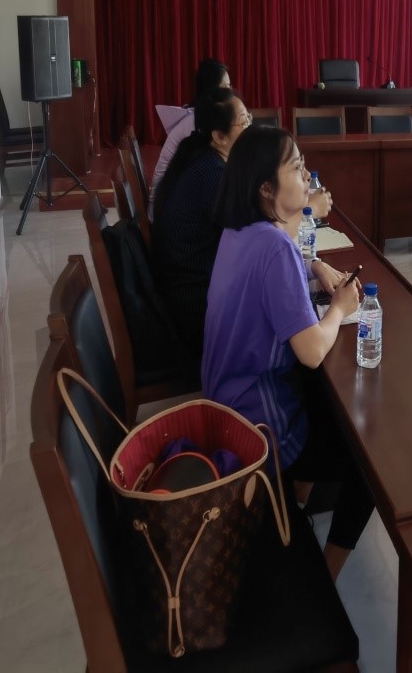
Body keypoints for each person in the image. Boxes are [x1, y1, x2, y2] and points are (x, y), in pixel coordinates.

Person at [202, 126, 373, 580]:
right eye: (297, 168)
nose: (307, 178)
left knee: (324, 401)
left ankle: (295, 501)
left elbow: (280, 263)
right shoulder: (274, 246)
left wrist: (314, 265)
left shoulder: (240, 230)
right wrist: (340, 308)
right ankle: (323, 577)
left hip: (224, 403)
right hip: (255, 427)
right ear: (266, 188)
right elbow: (312, 350)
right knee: (369, 463)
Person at [149, 88, 248, 381]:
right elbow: (255, 240)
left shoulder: (203, 160)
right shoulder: (212, 174)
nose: (251, 128)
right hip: (196, 312)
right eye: (244, 122)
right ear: (219, 136)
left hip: (187, 293)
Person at [148, 58, 229, 218]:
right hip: (165, 213)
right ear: (212, 90)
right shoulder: (197, 123)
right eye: (226, 87)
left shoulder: (198, 116)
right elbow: (213, 168)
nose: (231, 94)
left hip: (169, 203)